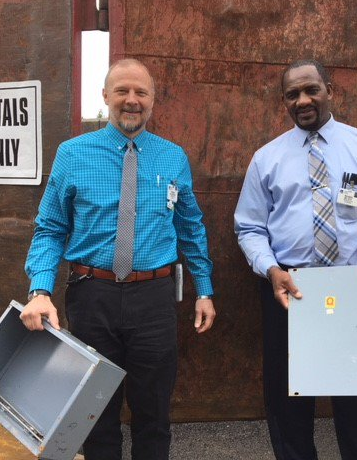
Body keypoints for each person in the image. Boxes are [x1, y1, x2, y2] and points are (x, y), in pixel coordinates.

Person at [21, 58, 216, 460]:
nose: (132, 100)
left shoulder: (173, 157)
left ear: (153, 100)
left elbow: (191, 228)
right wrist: (40, 289)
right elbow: (50, 228)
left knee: (154, 414)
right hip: (93, 298)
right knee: (94, 414)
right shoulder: (72, 154)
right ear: (106, 96)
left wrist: (205, 290)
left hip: (154, 300)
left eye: (141, 92)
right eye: (122, 91)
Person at [234, 59, 357, 460]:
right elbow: (249, 227)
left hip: (351, 290)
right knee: (289, 410)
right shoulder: (267, 159)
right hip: (290, 293)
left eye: (311, 89)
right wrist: (271, 269)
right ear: (284, 102)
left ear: (330, 90)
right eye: (292, 94)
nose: (303, 100)